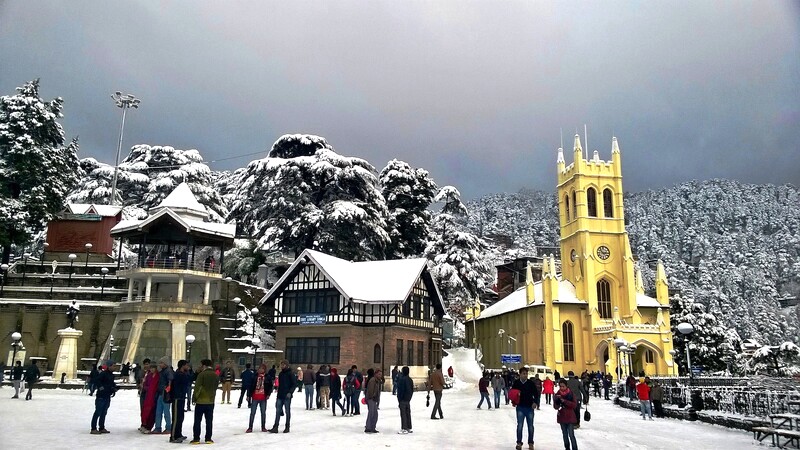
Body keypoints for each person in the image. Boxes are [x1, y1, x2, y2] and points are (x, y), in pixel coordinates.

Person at [511, 366, 540, 450]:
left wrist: (535, 402)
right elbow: (512, 393)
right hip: (520, 407)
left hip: (529, 407)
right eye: (523, 374)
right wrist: (514, 401)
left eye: (526, 374)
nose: (525, 375)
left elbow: (536, 394)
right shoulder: (516, 383)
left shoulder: (530, 383)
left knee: (530, 426)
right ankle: (519, 442)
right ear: (520, 374)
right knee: (520, 425)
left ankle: (531, 442)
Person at [191, 359, 218, 444]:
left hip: (201, 401)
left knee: (197, 421)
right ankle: (208, 438)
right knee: (209, 420)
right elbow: (216, 387)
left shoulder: (201, 375)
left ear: (204, 365)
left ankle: (196, 438)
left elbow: (197, 388)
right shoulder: (215, 375)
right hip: (210, 401)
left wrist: (194, 398)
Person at [90, 364, 118, 434]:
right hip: (101, 396)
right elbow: (97, 380)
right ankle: (93, 428)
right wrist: (101, 387)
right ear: (109, 366)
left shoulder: (111, 375)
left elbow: (111, 384)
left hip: (107, 395)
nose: (115, 367)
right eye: (113, 366)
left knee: (104, 412)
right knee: (98, 412)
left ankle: (101, 427)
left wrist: (114, 388)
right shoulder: (103, 373)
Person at [269, 359, 294, 433]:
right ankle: (275, 426)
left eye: (283, 365)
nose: (282, 366)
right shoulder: (281, 374)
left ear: (287, 365)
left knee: (287, 411)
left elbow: (294, 384)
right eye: (281, 365)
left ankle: (287, 426)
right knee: (277, 411)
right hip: (280, 395)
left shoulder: (290, 373)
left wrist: (290, 392)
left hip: (287, 395)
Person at [246, 364, 273, 433]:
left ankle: (263, 426)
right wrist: (248, 395)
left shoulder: (267, 377)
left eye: (262, 369)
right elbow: (250, 386)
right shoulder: (254, 376)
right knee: (252, 413)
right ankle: (250, 427)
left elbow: (270, 386)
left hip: (263, 397)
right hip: (255, 396)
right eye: (259, 369)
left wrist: (268, 394)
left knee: (263, 413)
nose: (260, 370)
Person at [170, 359, 191, 443]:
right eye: (186, 365)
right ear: (183, 366)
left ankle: (178, 434)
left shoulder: (183, 374)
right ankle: (173, 436)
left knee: (180, 417)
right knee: (176, 418)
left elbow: (189, 379)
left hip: (181, 397)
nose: (188, 367)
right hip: (177, 398)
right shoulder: (178, 374)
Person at [554, 378, 578, 450]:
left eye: (563, 386)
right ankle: (567, 448)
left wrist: (565, 401)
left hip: (570, 417)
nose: (561, 388)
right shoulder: (557, 394)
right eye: (560, 386)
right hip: (562, 417)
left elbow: (574, 405)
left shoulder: (571, 394)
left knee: (571, 435)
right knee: (565, 435)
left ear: (566, 386)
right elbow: (555, 407)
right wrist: (557, 401)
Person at [154, 357, 174, 434]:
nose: (160, 364)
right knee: (158, 411)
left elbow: (170, 380)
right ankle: (158, 427)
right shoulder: (162, 371)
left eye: (161, 363)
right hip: (161, 393)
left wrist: (168, 389)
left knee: (166, 412)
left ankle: (168, 427)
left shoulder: (168, 371)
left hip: (165, 394)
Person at [139, 365, 160, 433]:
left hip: (155, 395)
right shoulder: (149, 375)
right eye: (151, 368)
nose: (152, 370)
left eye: (153, 368)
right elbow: (144, 385)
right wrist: (148, 388)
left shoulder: (158, 376)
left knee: (152, 412)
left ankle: (149, 426)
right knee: (146, 410)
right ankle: (144, 425)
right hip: (148, 395)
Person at [364, 368, 383, 433]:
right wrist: (373, 396)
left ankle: (372, 427)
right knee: (372, 413)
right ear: (375, 374)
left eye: (381, 374)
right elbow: (371, 390)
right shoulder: (373, 380)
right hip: (371, 399)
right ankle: (368, 427)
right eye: (379, 374)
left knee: (374, 414)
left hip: (373, 399)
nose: (380, 375)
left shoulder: (377, 380)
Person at [396, 366, 414, 434]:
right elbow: (412, 390)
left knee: (403, 414)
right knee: (408, 413)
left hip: (402, 399)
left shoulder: (402, 380)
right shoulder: (410, 380)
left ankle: (404, 427)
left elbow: (400, 390)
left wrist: (399, 399)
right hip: (408, 398)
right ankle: (409, 427)